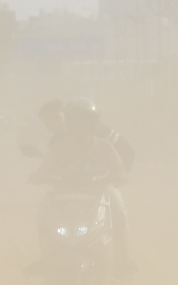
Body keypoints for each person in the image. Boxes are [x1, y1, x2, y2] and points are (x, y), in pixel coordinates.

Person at [34, 98, 134, 274]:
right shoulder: (58, 145)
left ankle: (124, 259)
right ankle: (47, 258)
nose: (79, 125)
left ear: (92, 123)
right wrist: (40, 175)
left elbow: (122, 165)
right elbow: (46, 167)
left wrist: (119, 175)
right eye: (75, 120)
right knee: (43, 209)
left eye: (84, 120)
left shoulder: (105, 143)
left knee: (119, 210)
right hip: (66, 191)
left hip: (101, 189)